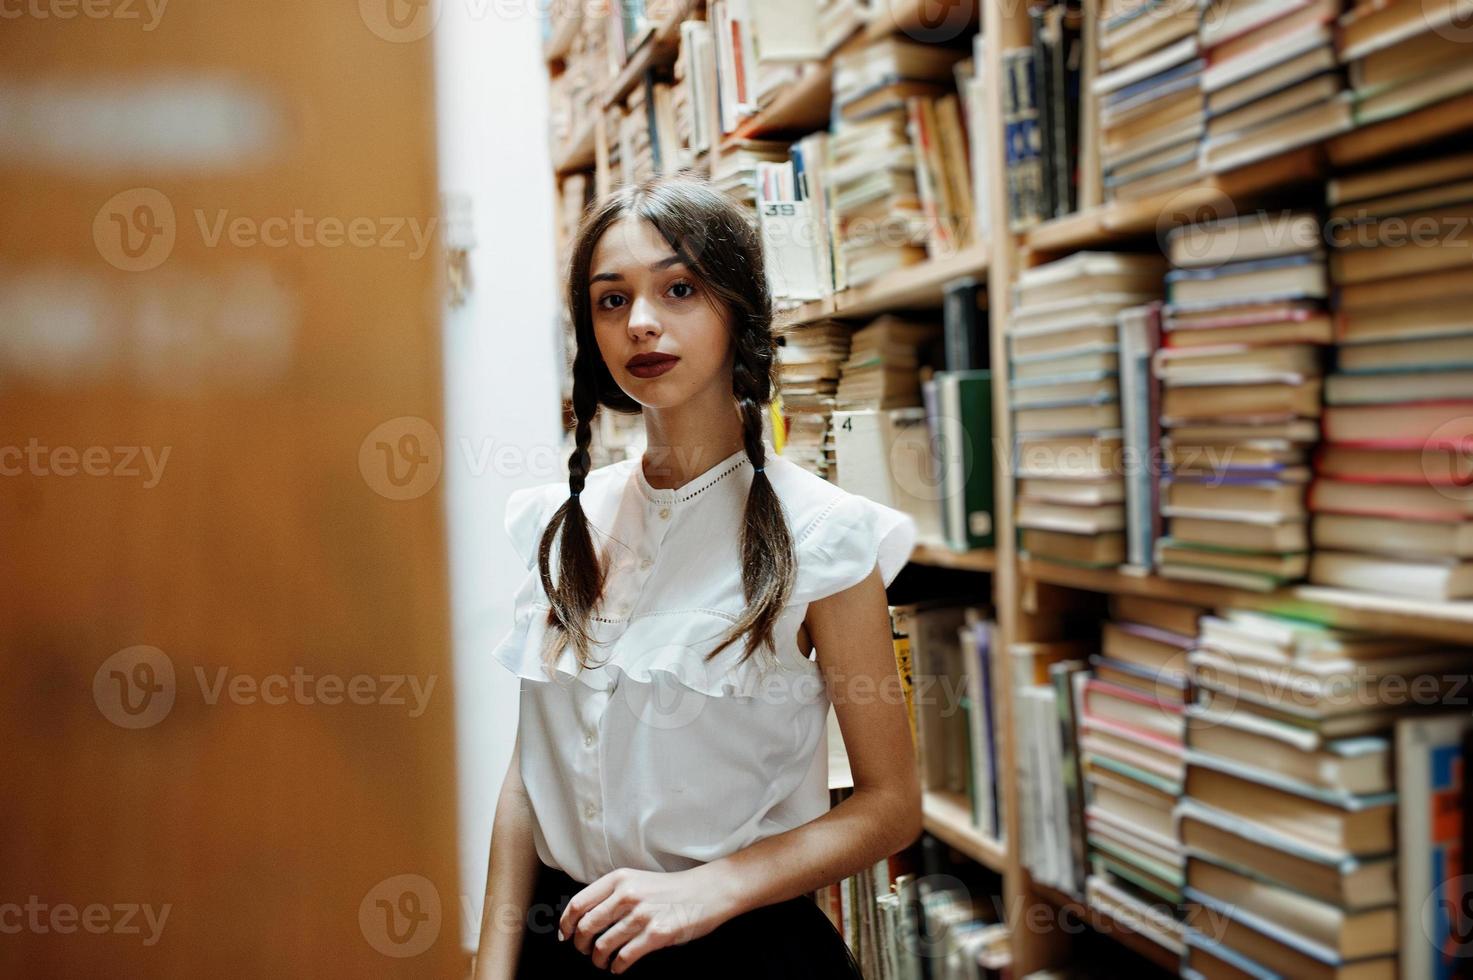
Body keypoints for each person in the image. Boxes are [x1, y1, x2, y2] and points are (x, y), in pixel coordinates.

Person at [472, 172, 922, 979]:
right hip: (561, 945)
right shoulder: (556, 522)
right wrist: (491, 968)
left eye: (678, 289)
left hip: (739, 951)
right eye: (611, 300)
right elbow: (526, 777)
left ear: (735, 308)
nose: (641, 323)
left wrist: (707, 890)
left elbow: (890, 807)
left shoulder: (823, 534)